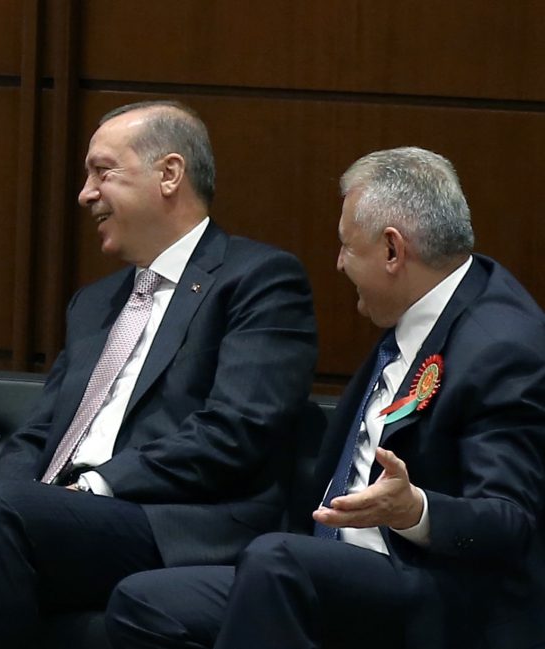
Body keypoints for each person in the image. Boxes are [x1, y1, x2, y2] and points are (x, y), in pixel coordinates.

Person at [104, 147, 545, 649]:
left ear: (392, 251)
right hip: (335, 568)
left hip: (437, 587)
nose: (337, 264)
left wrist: (414, 509)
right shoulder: (425, 304)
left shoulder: (501, 347)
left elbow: (511, 521)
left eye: (345, 247)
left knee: (279, 563)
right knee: (146, 604)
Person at [0, 100, 318, 648]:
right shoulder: (94, 303)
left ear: (169, 174)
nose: (85, 193)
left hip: (167, 523)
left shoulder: (259, 279)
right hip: (42, 516)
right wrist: (9, 497)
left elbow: (236, 430)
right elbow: (41, 433)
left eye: (102, 171)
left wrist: (96, 485)